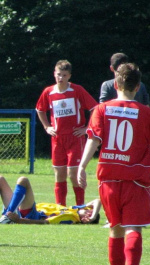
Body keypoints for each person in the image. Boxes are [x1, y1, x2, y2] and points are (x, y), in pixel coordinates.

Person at [78, 63, 150, 265]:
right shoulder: (146, 113)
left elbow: (94, 139)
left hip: (108, 179)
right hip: (135, 180)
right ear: (137, 87)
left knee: (115, 230)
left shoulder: (102, 109)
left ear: (116, 84)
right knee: (134, 228)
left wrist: (82, 165)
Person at [36, 60, 98, 207]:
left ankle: (80, 207)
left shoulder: (77, 90)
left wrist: (86, 128)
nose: (61, 78)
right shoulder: (48, 92)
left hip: (75, 138)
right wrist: (47, 127)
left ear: (69, 76)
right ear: (54, 74)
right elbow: (40, 109)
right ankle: (60, 208)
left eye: (64, 75)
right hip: (57, 139)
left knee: (73, 174)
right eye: (58, 74)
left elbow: (95, 108)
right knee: (59, 174)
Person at [0, 175, 101, 225]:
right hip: (21, 207)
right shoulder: (76, 209)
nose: (88, 213)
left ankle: (7, 216)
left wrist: (19, 220)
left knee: (23, 181)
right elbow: (97, 201)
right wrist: (93, 215)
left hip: (31, 214)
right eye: (89, 212)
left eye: (89, 216)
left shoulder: (71, 217)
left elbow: (44, 222)